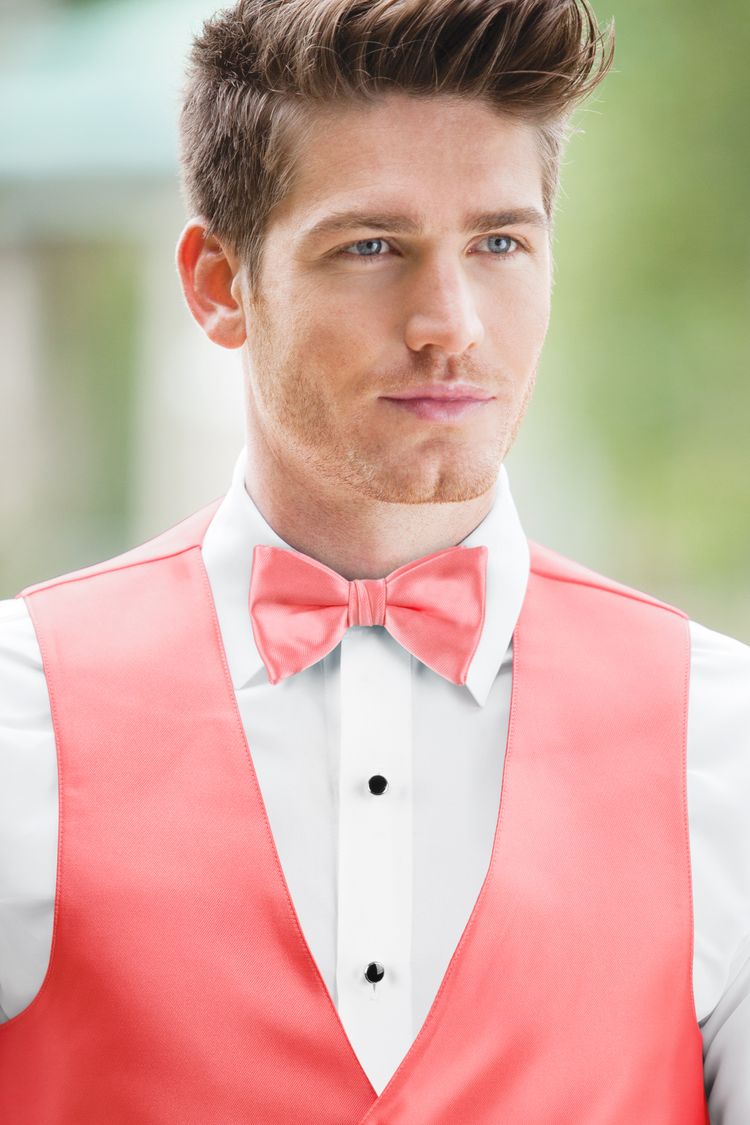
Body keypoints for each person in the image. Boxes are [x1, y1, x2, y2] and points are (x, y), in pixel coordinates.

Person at [0, 0, 747, 1119]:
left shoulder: (724, 740)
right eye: (371, 247)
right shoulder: (17, 720)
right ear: (218, 284)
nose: (451, 322)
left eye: (499, 243)